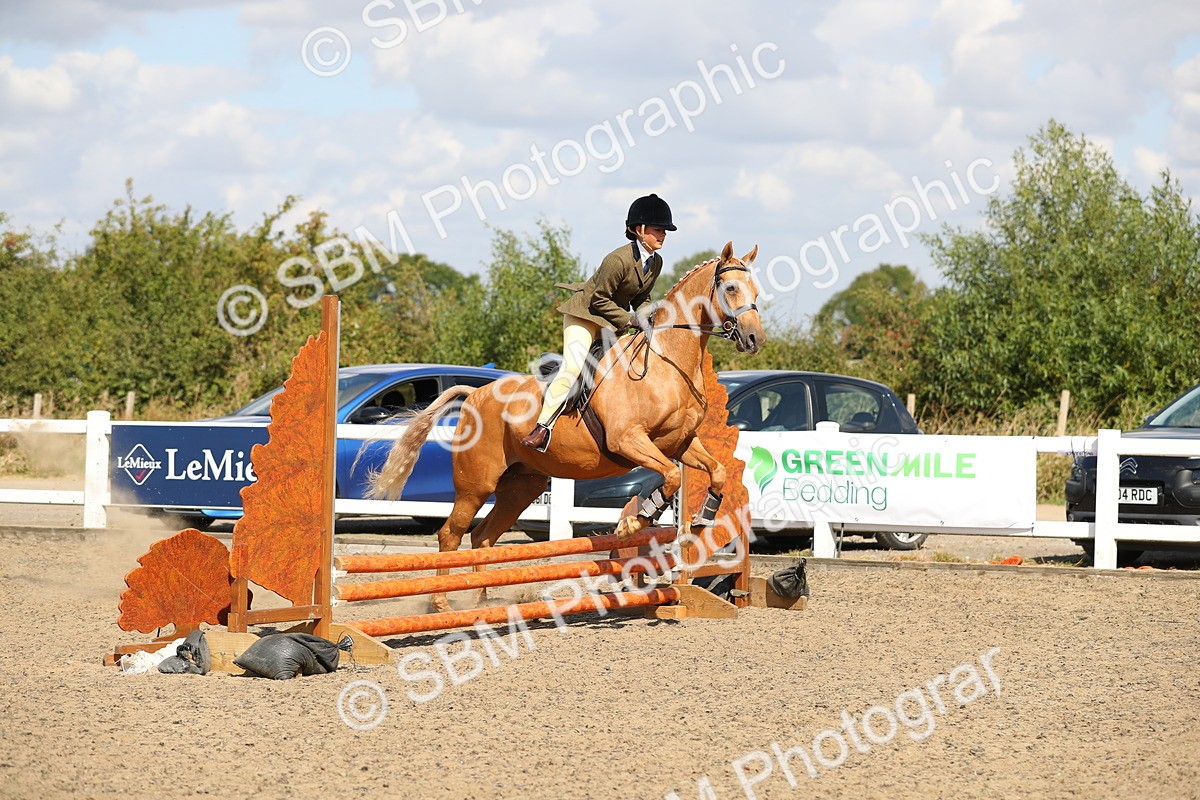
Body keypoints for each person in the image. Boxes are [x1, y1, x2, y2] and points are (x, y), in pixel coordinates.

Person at [520, 193, 676, 452]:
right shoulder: (618, 260)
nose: (663, 235)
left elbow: (640, 297)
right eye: (658, 230)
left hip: (611, 321)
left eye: (665, 231)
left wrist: (651, 316)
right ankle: (542, 427)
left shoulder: (656, 262)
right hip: (585, 315)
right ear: (638, 230)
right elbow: (599, 300)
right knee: (573, 369)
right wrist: (629, 319)